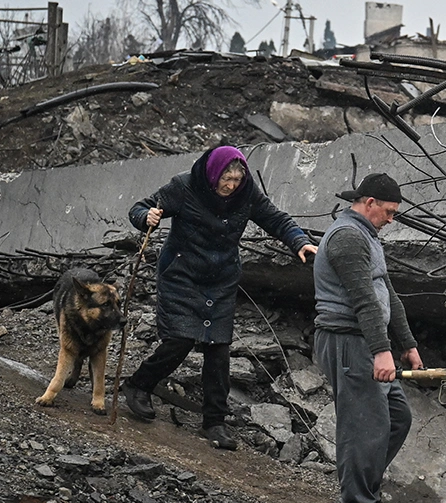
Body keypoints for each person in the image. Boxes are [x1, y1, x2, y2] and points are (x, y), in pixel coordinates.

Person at [121, 145, 316, 450]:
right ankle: (138, 385)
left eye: (237, 180)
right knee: (180, 339)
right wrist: (147, 216)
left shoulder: (246, 194)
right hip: (181, 273)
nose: (231, 186)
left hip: (221, 280)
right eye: (226, 179)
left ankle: (214, 422)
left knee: (219, 349)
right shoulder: (185, 186)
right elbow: (139, 207)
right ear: (214, 174)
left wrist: (300, 242)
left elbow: (276, 220)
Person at [312, 172, 423, 503]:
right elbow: (363, 301)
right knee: (364, 426)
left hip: (364, 341)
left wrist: (408, 344)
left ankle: (365, 492)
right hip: (347, 342)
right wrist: (382, 351)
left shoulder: (367, 236)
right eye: (389, 212)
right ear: (369, 203)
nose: (391, 220)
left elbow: (387, 294)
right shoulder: (346, 238)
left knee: (396, 418)